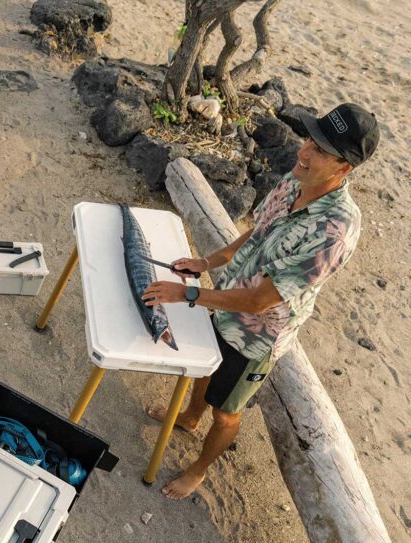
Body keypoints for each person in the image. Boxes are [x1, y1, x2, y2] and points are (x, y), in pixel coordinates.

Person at [141, 103, 380, 499]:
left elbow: (258, 302)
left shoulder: (334, 231)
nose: (304, 153)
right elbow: (256, 233)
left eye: (320, 151)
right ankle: (188, 417)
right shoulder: (294, 180)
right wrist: (206, 261)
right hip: (225, 301)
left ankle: (199, 470)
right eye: (309, 140)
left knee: (227, 412)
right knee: (205, 367)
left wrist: (188, 294)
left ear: (344, 169)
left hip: (258, 335)